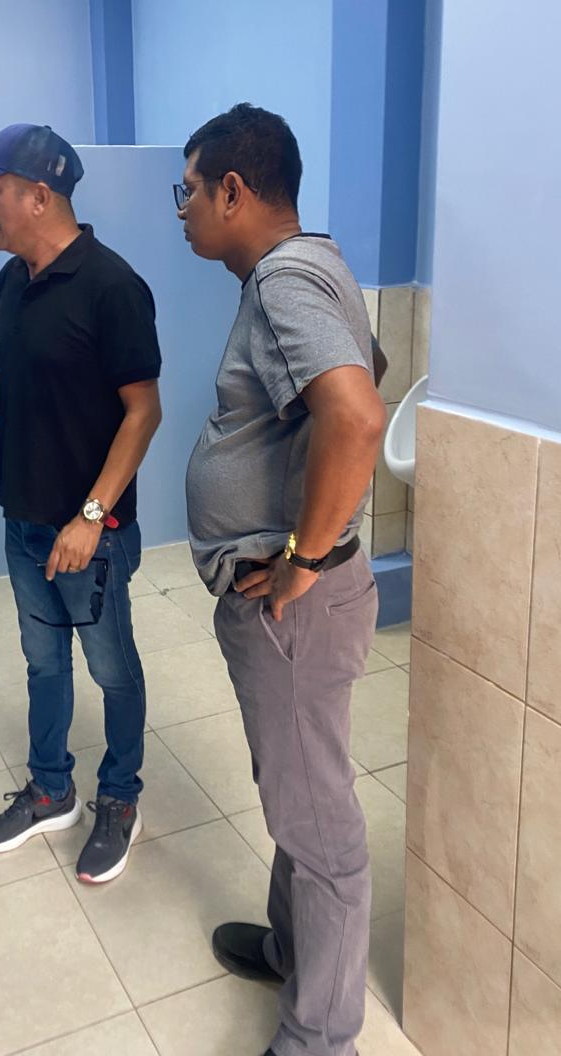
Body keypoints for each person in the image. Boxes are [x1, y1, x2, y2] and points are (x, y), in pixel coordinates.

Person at [0, 123, 162, 884]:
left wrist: (90, 518)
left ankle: (120, 798)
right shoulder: (12, 281)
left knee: (112, 670)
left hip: (93, 532)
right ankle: (51, 790)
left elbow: (143, 412)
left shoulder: (113, 287)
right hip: (24, 518)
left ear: (39, 196)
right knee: (43, 663)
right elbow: (14, 378)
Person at [177, 104, 387, 1056]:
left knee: (320, 829)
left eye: (187, 190)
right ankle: (289, 947)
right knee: (294, 789)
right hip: (305, 599)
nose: (182, 209)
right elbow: (353, 384)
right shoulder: (319, 263)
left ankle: (320, 1038)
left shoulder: (282, 279)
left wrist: (304, 558)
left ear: (232, 190)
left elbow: (357, 415)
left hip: (299, 604)